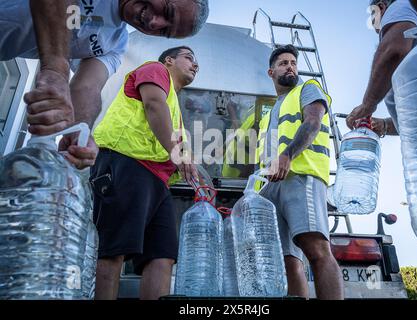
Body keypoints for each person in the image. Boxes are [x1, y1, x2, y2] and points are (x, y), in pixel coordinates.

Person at [0, 0, 209, 169]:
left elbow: (88, 87)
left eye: (164, 32)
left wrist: (80, 132)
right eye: (167, 11)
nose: (155, 23)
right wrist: (55, 70)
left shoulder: (116, 43)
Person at [90, 46, 199, 300]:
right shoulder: (155, 69)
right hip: (126, 162)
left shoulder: (175, 106)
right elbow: (152, 104)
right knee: (113, 249)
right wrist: (178, 154)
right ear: (169, 60)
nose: (195, 65)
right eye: (189, 58)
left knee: (163, 256)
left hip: (158, 182)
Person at [256, 45, 344, 300]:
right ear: (271, 72)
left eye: (293, 62)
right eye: (283, 63)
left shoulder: (308, 89)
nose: (290, 66)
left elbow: (313, 122)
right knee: (288, 258)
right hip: (271, 186)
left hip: (301, 177)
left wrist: (288, 155)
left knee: (316, 248)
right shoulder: (271, 112)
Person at [346, 0, 417, 132]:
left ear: (380, 7)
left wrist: (368, 104)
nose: (376, 30)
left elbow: (394, 50)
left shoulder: (399, 5)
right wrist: (385, 125)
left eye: (372, 16)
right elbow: (416, 122)